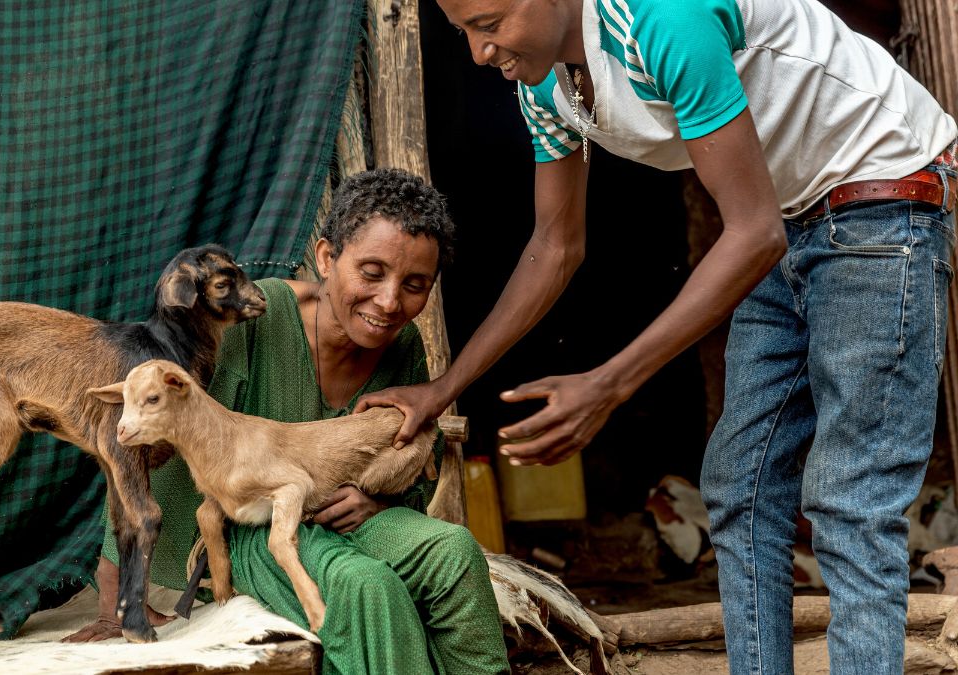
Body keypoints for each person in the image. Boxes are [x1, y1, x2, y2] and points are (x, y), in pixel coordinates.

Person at [356, 0, 958, 673]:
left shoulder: (659, 19)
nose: (477, 52)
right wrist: (444, 388)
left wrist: (609, 383)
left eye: (489, 24)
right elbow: (555, 245)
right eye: (463, 31)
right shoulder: (545, 83)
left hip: (880, 195)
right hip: (787, 213)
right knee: (740, 485)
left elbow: (750, 232)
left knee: (850, 497)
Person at [66, 168, 510, 675]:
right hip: (258, 525)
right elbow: (151, 445)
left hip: (361, 518)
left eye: (414, 285)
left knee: (455, 552)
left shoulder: (403, 345)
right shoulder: (255, 323)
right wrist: (115, 593)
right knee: (365, 588)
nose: (389, 302)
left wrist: (375, 499)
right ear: (326, 257)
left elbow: (408, 452)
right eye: (370, 272)